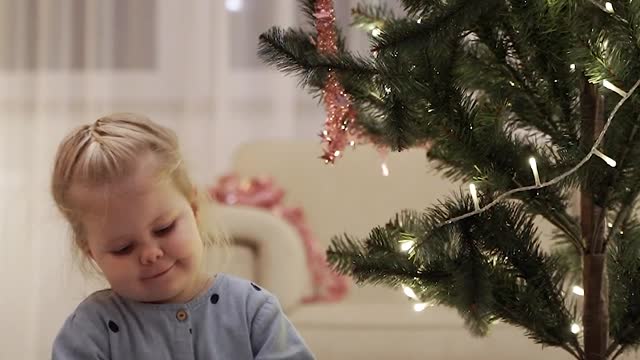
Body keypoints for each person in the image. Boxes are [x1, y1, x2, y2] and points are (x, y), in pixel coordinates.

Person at [50, 113, 315, 359]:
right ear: (91, 253)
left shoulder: (251, 309)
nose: (150, 253)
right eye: (123, 248)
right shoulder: (90, 330)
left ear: (194, 209)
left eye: (164, 229)